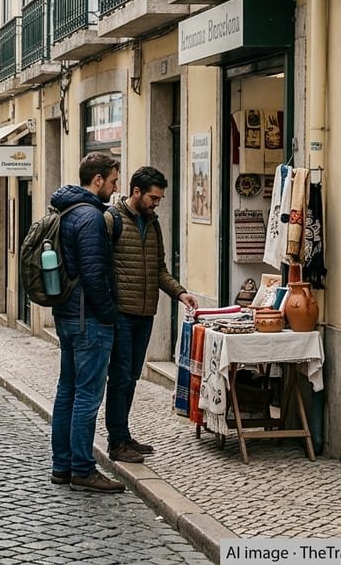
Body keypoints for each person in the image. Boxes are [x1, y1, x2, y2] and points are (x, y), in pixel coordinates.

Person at [106, 167, 198, 463]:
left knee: (131, 376)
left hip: (145, 314)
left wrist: (180, 293)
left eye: (159, 198)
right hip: (121, 313)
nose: (157, 202)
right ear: (136, 192)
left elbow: (159, 270)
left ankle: (123, 434)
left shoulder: (153, 224)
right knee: (120, 377)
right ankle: (116, 441)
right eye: (153, 197)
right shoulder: (113, 220)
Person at [49, 151, 124, 493]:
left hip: (66, 315)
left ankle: (61, 465)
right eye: (112, 180)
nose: (115, 186)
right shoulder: (90, 217)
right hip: (87, 319)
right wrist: (109, 315)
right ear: (97, 181)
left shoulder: (63, 211)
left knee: (67, 390)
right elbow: (94, 275)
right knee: (87, 395)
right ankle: (82, 467)